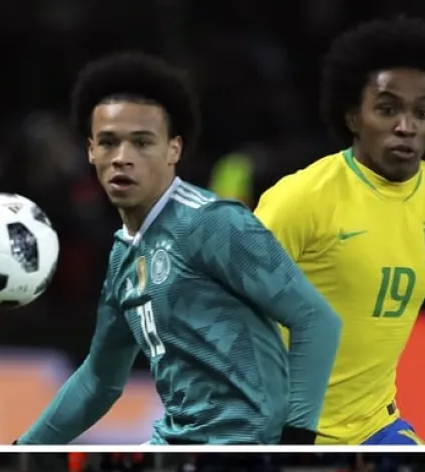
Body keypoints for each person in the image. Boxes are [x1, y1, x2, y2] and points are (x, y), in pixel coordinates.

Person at [18, 52, 341, 445]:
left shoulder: (213, 223)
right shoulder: (123, 254)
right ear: (91, 152)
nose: (122, 158)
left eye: (141, 142)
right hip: (176, 441)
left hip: (242, 446)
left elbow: (316, 319)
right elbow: (99, 380)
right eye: (108, 142)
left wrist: (297, 439)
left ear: (173, 149)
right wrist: (26, 447)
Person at [253, 17, 425, 443]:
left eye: (421, 112)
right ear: (353, 116)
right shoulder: (300, 199)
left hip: (376, 425)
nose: (406, 126)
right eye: (388, 109)